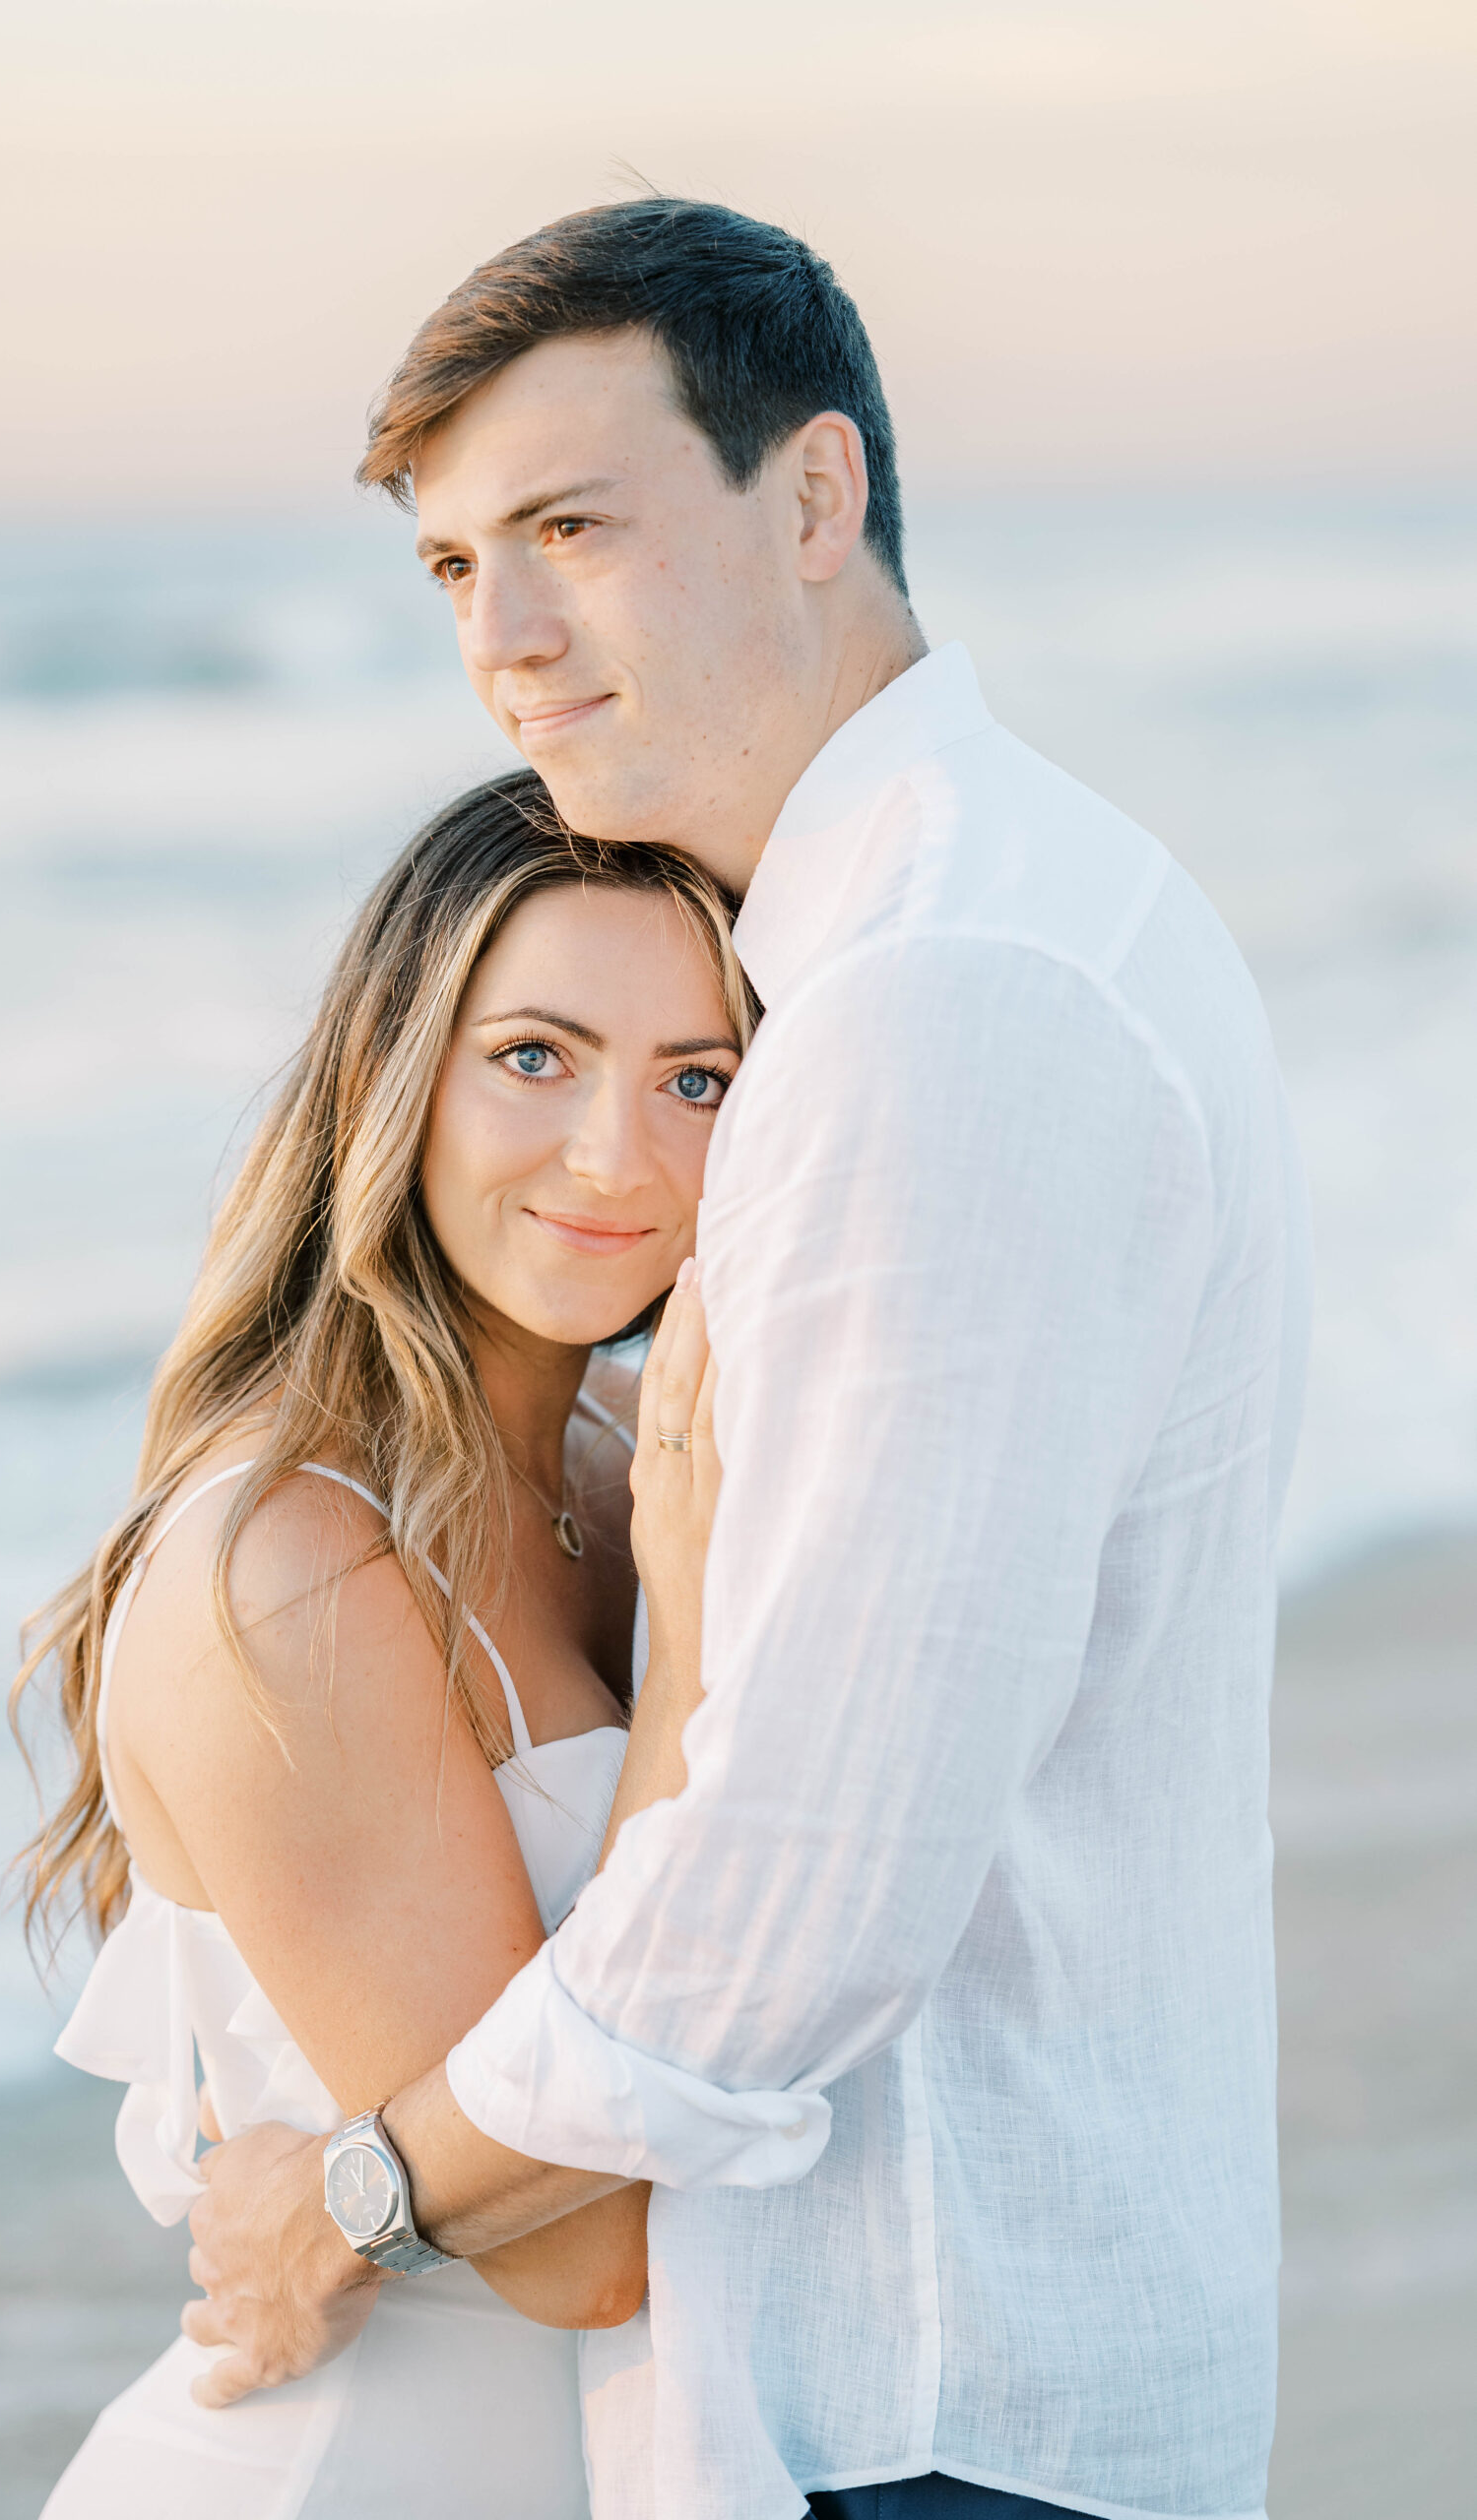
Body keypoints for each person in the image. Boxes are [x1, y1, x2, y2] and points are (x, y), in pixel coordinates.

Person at [183, 200, 1313, 2520]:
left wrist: (358, 2192)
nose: (498, 635)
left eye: (572, 527)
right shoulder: (960, 926)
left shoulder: (936, 1006)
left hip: (911, 2391)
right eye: (451, 564)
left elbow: (810, 1879)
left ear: (812, 497)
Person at [13, 771, 758, 2518]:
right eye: (534, 1057)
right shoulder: (289, 1569)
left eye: (697, 1079)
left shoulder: (621, 1458)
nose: (615, 1156)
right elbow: (583, 2261)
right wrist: (700, 1640)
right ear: (392, 1071)